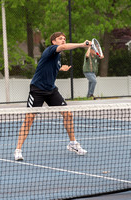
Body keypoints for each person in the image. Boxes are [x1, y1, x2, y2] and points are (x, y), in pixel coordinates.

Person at [14, 32, 92, 161]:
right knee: (29, 119)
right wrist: (82, 44)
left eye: (64, 39)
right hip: (37, 90)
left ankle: (73, 143)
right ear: (53, 42)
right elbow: (63, 47)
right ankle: (18, 150)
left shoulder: (56, 58)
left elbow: (50, 68)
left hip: (51, 90)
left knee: (68, 114)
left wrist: (61, 69)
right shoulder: (50, 50)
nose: (63, 40)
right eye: (60, 39)